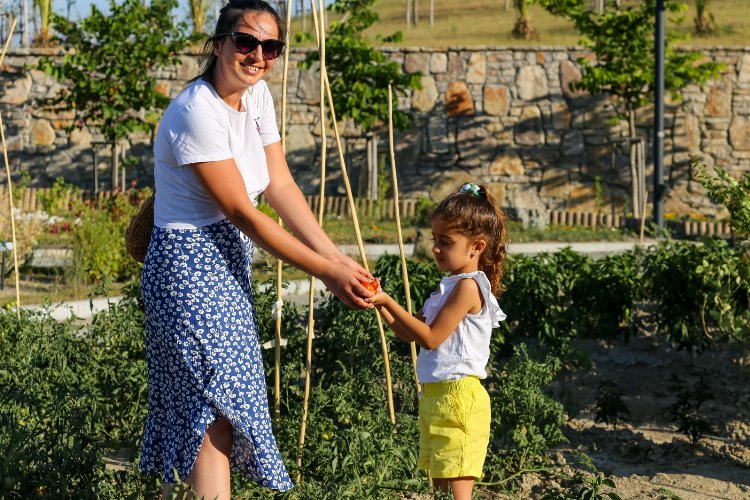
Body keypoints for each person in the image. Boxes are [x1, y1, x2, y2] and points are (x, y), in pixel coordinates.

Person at [138, 1, 374, 498]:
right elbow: (244, 214)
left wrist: (336, 257)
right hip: (186, 266)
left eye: (271, 47)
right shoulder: (195, 111)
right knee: (213, 409)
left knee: (208, 408)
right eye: (246, 42)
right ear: (220, 43)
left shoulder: (258, 97)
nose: (257, 55)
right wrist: (326, 274)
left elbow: (280, 186)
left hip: (225, 263)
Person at [366, 182, 508, 500]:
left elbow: (430, 339)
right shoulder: (447, 288)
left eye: (446, 241)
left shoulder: (469, 288)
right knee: (439, 491)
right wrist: (380, 303)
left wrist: (388, 302)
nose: (435, 248)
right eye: (435, 239)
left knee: (456, 494)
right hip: (435, 397)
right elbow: (410, 333)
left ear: (477, 248)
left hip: (459, 400)